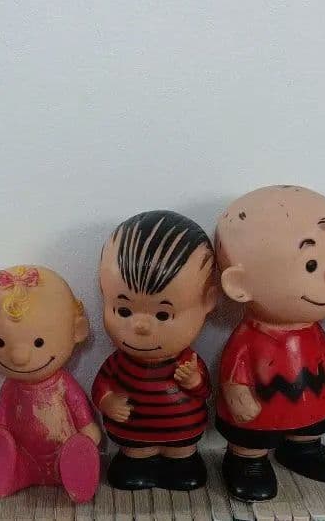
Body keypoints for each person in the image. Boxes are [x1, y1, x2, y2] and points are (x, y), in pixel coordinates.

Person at [215, 185, 325, 501]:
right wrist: (238, 393)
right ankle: (247, 460)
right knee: (250, 438)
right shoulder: (248, 337)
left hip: (308, 400)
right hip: (259, 411)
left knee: (310, 427)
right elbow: (234, 370)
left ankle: (304, 449)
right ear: (239, 285)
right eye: (311, 265)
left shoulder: (313, 331)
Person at [92, 210, 218, 491]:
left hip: (182, 433)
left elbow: (205, 391)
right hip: (133, 434)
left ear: (208, 301)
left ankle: (182, 463)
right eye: (123, 310)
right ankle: (137, 462)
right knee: (136, 456)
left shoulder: (189, 361)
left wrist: (194, 381)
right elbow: (102, 385)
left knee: (182, 460)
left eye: (163, 314)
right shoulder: (117, 363)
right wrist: (107, 401)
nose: (140, 326)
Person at [0, 265, 101, 503]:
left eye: (38, 342)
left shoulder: (62, 384)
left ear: (77, 330)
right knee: (12, 454)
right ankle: (11, 473)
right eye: (0, 342)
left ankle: (76, 471)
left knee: (74, 452)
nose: (19, 356)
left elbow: (78, 406)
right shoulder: (10, 387)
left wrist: (87, 427)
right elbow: (1, 421)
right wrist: (0, 433)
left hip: (63, 450)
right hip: (25, 453)